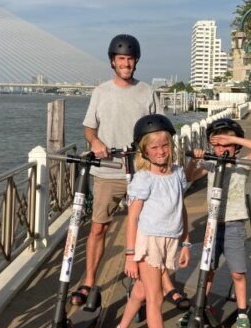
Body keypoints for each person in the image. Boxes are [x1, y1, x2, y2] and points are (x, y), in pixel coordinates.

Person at [76, 34, 186, 308]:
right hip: (108, 170)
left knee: (154, 230)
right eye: (121, 59)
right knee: (99, 228)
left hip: (142, 171)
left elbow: (160, 127)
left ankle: (164, 281)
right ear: (113, 62)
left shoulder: (147, 91)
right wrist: (97, 142)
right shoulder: (101, 92)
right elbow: (89, 128)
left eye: (130, 59)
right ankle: (89, 280)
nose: (126, 64)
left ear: (136, 62)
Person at [115, 114, 191, 328]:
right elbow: (133, 217)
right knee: (155, 297)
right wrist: (130, 254)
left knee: (140, 291)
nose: (161, 151)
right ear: (144, 151)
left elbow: (182, 208)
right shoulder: (143, 178)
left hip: (170, 241)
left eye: (165, 145)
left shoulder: (177, 173)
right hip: (149, 242)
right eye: (154, 147)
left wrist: (186, 242)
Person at [185, 118, 251, 328]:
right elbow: (189, 176)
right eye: (217, 145)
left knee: (237, 272)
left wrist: (232, 138)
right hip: (213, 225)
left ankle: (241, 313)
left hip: (234, 226)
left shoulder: (242, 166)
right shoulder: (211, 165)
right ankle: (198, 308)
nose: (221, 149)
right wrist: (197, 159)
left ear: (236, 146)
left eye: (226, 144)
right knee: (207, 270)